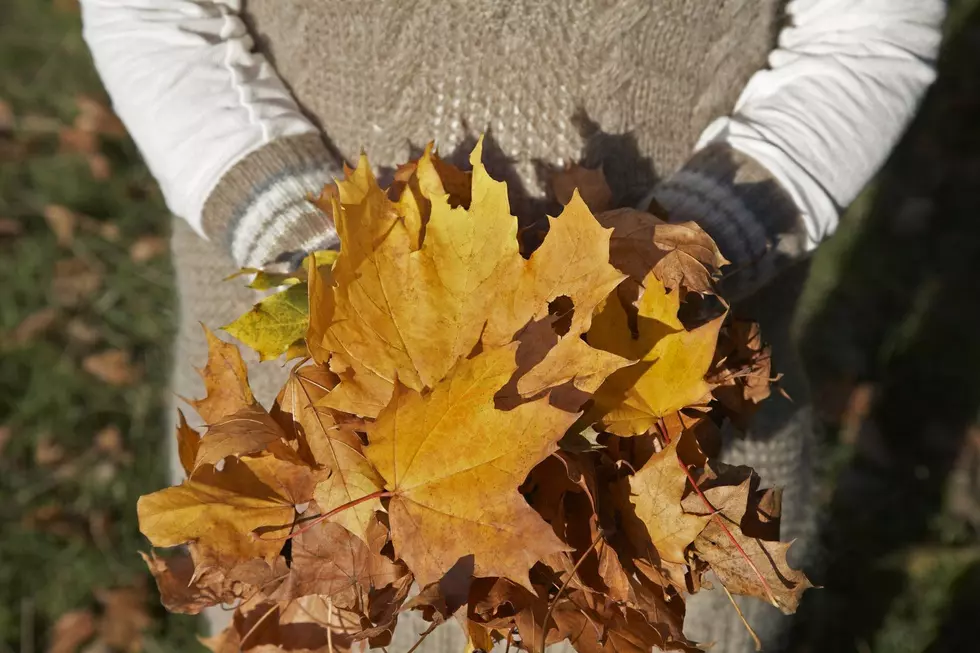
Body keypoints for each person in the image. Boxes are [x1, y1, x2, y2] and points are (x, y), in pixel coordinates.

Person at [80, 1, 945, 651]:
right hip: (307, 425)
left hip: (662, 423)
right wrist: (317, 249)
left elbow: (866, 30)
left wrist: (690, 247)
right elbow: (155, 16)